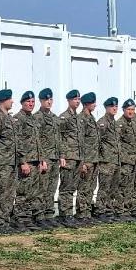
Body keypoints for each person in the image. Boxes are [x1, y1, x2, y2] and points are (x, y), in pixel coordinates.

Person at [13, 90, 46, 230]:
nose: (31, 104)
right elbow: (17, 142)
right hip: (26, 162)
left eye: (33, 102)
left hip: (35, 161)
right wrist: (22, 162)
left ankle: (29, 217)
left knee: (34, 192)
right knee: (23, 192)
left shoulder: (33, 119)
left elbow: (39, 141)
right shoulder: (18, 119)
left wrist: (42, 159)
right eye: (28, 102)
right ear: (22, 103)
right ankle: (20, 219)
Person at [0, 88, 20, 234]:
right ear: (3, 101)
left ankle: (5, 219)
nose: (12, 101)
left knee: (10, 192)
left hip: (11, 162)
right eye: (10, 99)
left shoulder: (9, 118)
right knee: (2, 192)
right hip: (2, 162)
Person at [36, 88, 61, 227]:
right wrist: (41, 159)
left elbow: (59, 139)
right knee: (42, 188)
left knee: (51, 188)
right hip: (45, 158)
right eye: (46, 100)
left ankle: (49, 214)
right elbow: (36, 140)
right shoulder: (37, 118)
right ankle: (39, 216)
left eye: (51, 99)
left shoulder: (55, 118)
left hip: (54, 157)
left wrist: (61, 155)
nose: (49, 102)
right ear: (41, 101)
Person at [57, 89, 82, 227]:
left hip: (78, 157)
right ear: (68, 100)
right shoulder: (64, 117)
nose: (77, 101)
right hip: (68, 157)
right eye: (74, 99)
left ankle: (69, 214)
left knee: (72, 187)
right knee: (66, 187)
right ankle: (64, 214)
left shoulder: (78, 118)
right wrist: (62, 155)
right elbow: (59, 138)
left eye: (78, 99)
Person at [114, 98, 136, 222]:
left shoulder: (133, 123)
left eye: (132, 109)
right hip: (125, 161)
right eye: (129, 109)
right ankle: (120, 210)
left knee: (130, 187)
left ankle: (127, 210)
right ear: (123, 110)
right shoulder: (120, 123)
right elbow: (117, 144)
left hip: (133, 161)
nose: (131, 112)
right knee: (122, 187)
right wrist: (122, 160)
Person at [95, 97, 122, 222]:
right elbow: (97, 142)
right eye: (112, 106)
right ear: (106, 108)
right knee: (104, 188)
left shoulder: (115, 123)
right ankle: (100, 211)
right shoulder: (102, 122)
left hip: (116, 161)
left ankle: (109, 210)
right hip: (106, 161)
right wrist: (101, 159)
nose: (114, 108)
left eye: (116, 106)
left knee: (113, 188)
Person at [75, 92, 100, 224]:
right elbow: (80, 142)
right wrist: (82, 162)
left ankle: (87, 212)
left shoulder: (91, 118)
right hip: (87, 160)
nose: (95, 105)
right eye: (93, 103)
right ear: (87, 104)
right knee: (83, 187)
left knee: (91, 187)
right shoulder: (81, 119)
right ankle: (81, 213)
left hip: (94, 159)